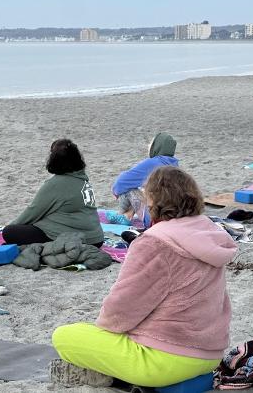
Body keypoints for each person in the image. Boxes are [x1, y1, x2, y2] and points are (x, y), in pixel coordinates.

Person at [51, 166, 237, 388]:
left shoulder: (155, 242)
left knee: (64, 336)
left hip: (165, 360)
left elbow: (122, 309)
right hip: (210, 357)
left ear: (153, 202)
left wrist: (104, 334)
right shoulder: (209, 233)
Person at [2, 139, 104, 246]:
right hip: (96, 237)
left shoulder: (56, 184)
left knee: (9, 232)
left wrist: (12, 225)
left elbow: (33, 211)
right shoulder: (82, 179)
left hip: (80, 238)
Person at [111, 132, 178, 225]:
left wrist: (115, 192)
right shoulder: (175, 165)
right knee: (147, 189)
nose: (149, 146)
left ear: (157, 146)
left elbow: (121, 182)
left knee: (130, 189)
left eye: (151, 143)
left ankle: (123, 216)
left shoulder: (153, 163)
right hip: (172, 217)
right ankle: (129, 214)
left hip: (154, 219)